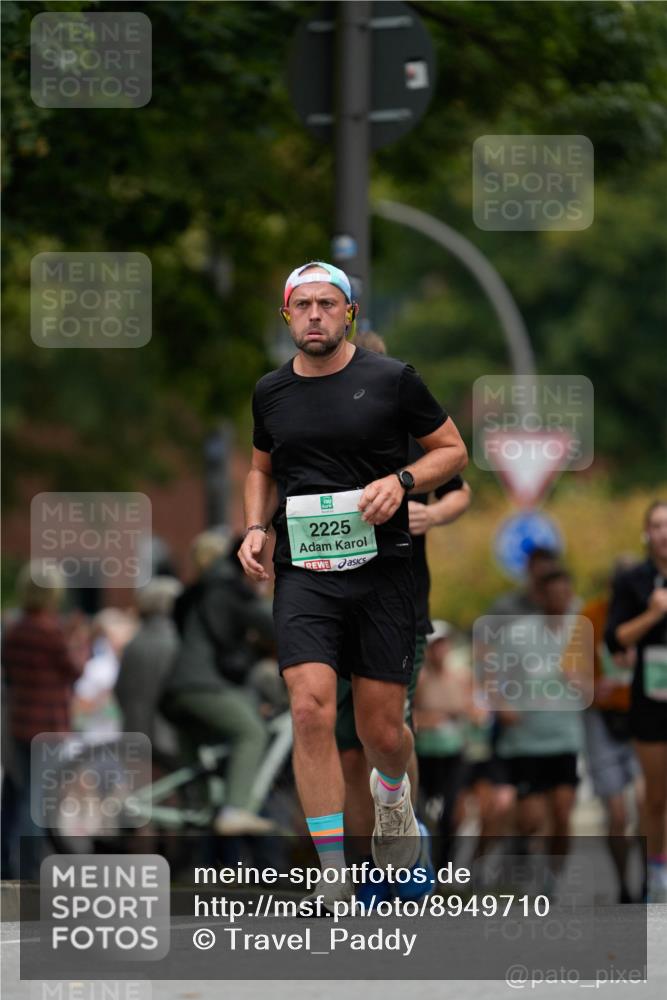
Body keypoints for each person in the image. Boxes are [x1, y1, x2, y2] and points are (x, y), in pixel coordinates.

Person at [238, 260, 467, 907]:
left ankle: (394, 799)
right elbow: (261, 469)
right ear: (287, 316)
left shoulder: (391, 380)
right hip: (305, 572)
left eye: (327, 304)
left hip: (382, 573)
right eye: (303, 305)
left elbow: (451, 451)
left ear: (350, 315)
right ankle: (333, 868)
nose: (315, 315)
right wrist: (254, 527)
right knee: (308, 707)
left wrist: (399, 484)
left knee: (381, 732)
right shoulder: (270, 392)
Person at [333, 330, 471, 896]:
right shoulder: (310, 430)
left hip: (401, 608)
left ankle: (409, 855)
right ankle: (366, 870)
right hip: (328, 610)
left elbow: (459, 489)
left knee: (388, 734)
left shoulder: (411, 430)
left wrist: (432, 518)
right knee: (346, 749)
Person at [161, 530, 275, 835]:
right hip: (203, 685)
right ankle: (234, 809)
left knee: (206, 751)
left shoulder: (198, 589)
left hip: (177, 689)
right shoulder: (228, 588)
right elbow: (272, 623)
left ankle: (199, 806)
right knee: (251, 732)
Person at [495, 569, 584, 889]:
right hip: (526, 740)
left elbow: (603, 676)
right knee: (530, 819)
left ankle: (552, 878)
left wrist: (587, 683)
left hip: (565, 736)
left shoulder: (581, 632)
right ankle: (518, 850)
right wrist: (503, 705)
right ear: (541, 597)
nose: (561, 600)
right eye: (554, 594)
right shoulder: (519, 634)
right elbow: (494, 677)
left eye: (566, 594)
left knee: (562, 814)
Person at [1, 561, 88, 878]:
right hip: (48, 724)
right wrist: (79, 640)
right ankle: (28, 869)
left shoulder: (14, 628)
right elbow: (75, 669)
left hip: (18, 720)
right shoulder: (51, 631)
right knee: (34, 799)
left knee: (14, 791)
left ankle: (5, 862)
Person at [605, 500, 667, 902]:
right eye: (658, 525)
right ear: (647, 533)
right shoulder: (633, 580)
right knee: (656, 794)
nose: (665, 533)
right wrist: (652, 614)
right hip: (652, 697)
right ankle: (655, 873)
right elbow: (615, 640)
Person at [578, 559, 641, 902]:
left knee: (648, 803)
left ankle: (650, 875)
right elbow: (570, 670)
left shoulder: (651, 614)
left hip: (643, 717)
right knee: (617, 814)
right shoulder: (591, 615)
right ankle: (624, 885)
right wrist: (591, 686)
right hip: (603, 721)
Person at [413, 620, 471, 868]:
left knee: (452, 812)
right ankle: (420, 865)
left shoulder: (461, 677)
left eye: (443, 645)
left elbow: (473, 710)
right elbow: (410, 717)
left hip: (454, 753)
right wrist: (431, 719)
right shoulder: (420, 679)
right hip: (425, 754)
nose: (439, 650)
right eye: (435, 645)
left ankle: (445, 867)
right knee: (420, 813)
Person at [115, 576, 183, 757]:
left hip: (134, 731)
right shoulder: (178, 642)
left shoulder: (133, 644)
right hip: (169, 737)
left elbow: (120, 689)